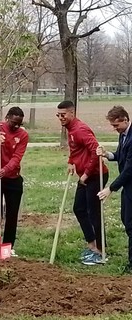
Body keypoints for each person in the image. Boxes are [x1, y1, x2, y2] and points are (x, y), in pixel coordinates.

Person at [56, 100, 109, 265]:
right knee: (79, 208)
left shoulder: (81, 129)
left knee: (94, 213)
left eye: (63, 115)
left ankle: (101, 251)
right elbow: (75, 148)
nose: (60, 118)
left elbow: (96, 151)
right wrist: (71, 161)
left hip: (96, 175)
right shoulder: (70, 129)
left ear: (72, 113)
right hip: (85, 175)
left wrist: (85, 174)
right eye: (58, 115)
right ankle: (92, 245)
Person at [0, 106, 28, 257]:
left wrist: (6, 170)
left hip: (12, 177)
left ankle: (9, 245)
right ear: (7, 118)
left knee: (12, 212)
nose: (16, 126)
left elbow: (17, 157)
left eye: (19, 124)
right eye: (13, 122)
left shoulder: (23, 135)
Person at [97, 106, 132, 273]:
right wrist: (107, 154)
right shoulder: (123, 135)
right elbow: (120, 155)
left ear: (125, 119)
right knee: (127, 221)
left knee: (131, 224)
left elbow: (130, 169)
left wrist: (110, 188)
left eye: (116, 125)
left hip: (130, 185)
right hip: (128, 188)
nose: (114, 128)